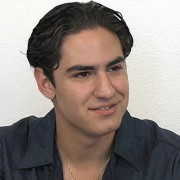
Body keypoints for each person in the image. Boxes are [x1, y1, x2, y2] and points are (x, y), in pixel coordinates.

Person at [0, 1, 180, 179]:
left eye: (114, 68)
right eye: (83, 74)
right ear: (46, 83)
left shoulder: (171, 161)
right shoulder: (5, 156)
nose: (107, 91)